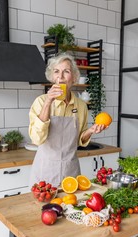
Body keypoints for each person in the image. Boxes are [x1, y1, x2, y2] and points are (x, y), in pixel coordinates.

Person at [29, 53, 106, 188]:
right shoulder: (41, 102)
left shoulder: (81, 106)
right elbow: (37, 139)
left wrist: (90, 131)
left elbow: (78, 140)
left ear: (74, 78)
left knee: (71, 207)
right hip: (45, 172)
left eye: (66, 71)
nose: (61, 76)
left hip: (71, 171)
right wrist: (48, 102)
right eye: (56, 71)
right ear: (52, 77)